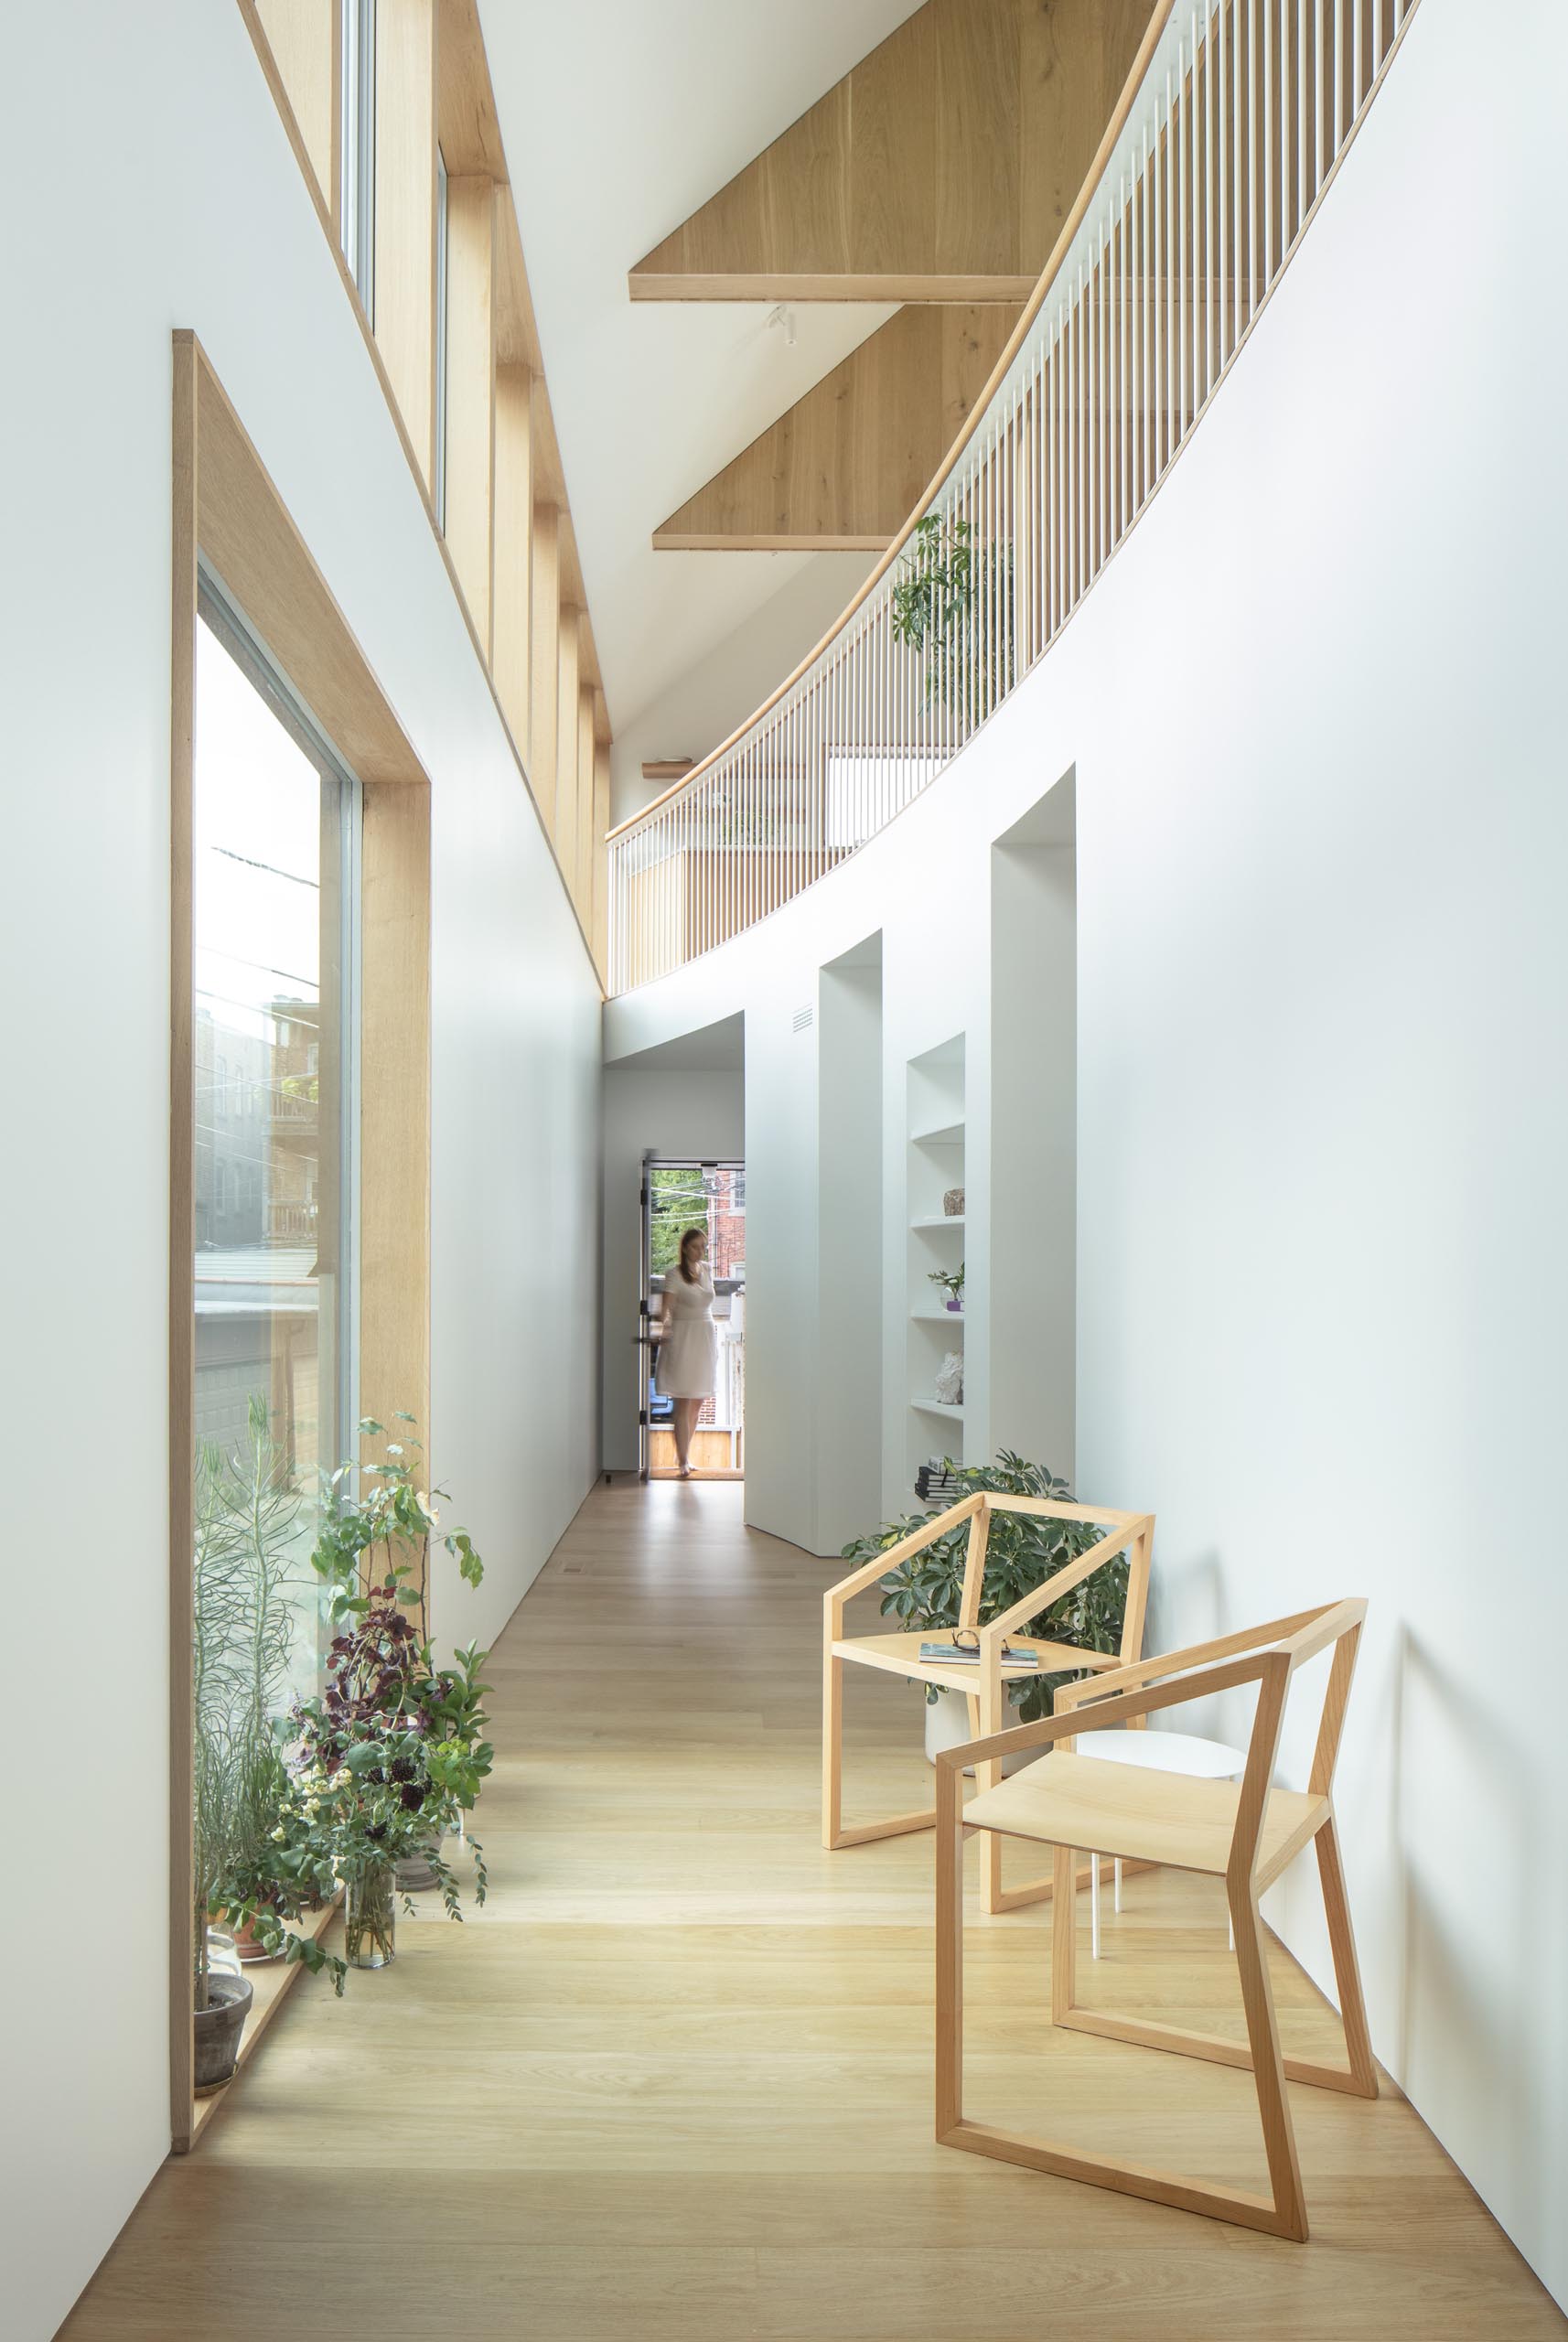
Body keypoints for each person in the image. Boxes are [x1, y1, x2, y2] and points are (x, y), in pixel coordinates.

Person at [655, 1226, 717, 1477]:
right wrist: (665, 1329)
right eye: (695, 1246)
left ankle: (685, 1453)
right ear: (684, 1247)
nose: (700, 1251)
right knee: (683, 1400)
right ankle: (683, 1460)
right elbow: (665, 1310)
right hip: (684, 1337)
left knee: (699, 1400)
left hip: (705, 1336)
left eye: (703, 1246)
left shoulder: (708, 1270)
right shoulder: (674, 1275)